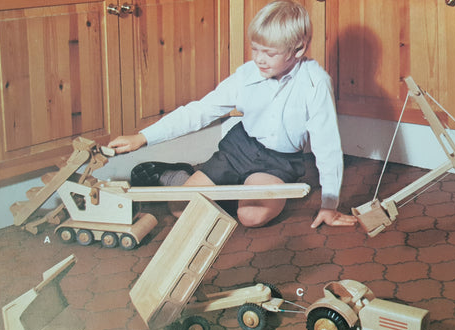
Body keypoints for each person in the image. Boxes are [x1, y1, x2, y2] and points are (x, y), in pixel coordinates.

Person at [108, 0, 356, 229]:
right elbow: (199, 111)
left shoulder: (316, 83)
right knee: (183, 210)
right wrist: (142, 137)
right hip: (239, 149)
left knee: (250, 217)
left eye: (269, 53)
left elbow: (327, 146)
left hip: (279, 162)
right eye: (255, 49)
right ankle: (180, 176)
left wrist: (329, 205)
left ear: (298, 49)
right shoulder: (246, 74)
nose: (259, 59)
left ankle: (224, 189)